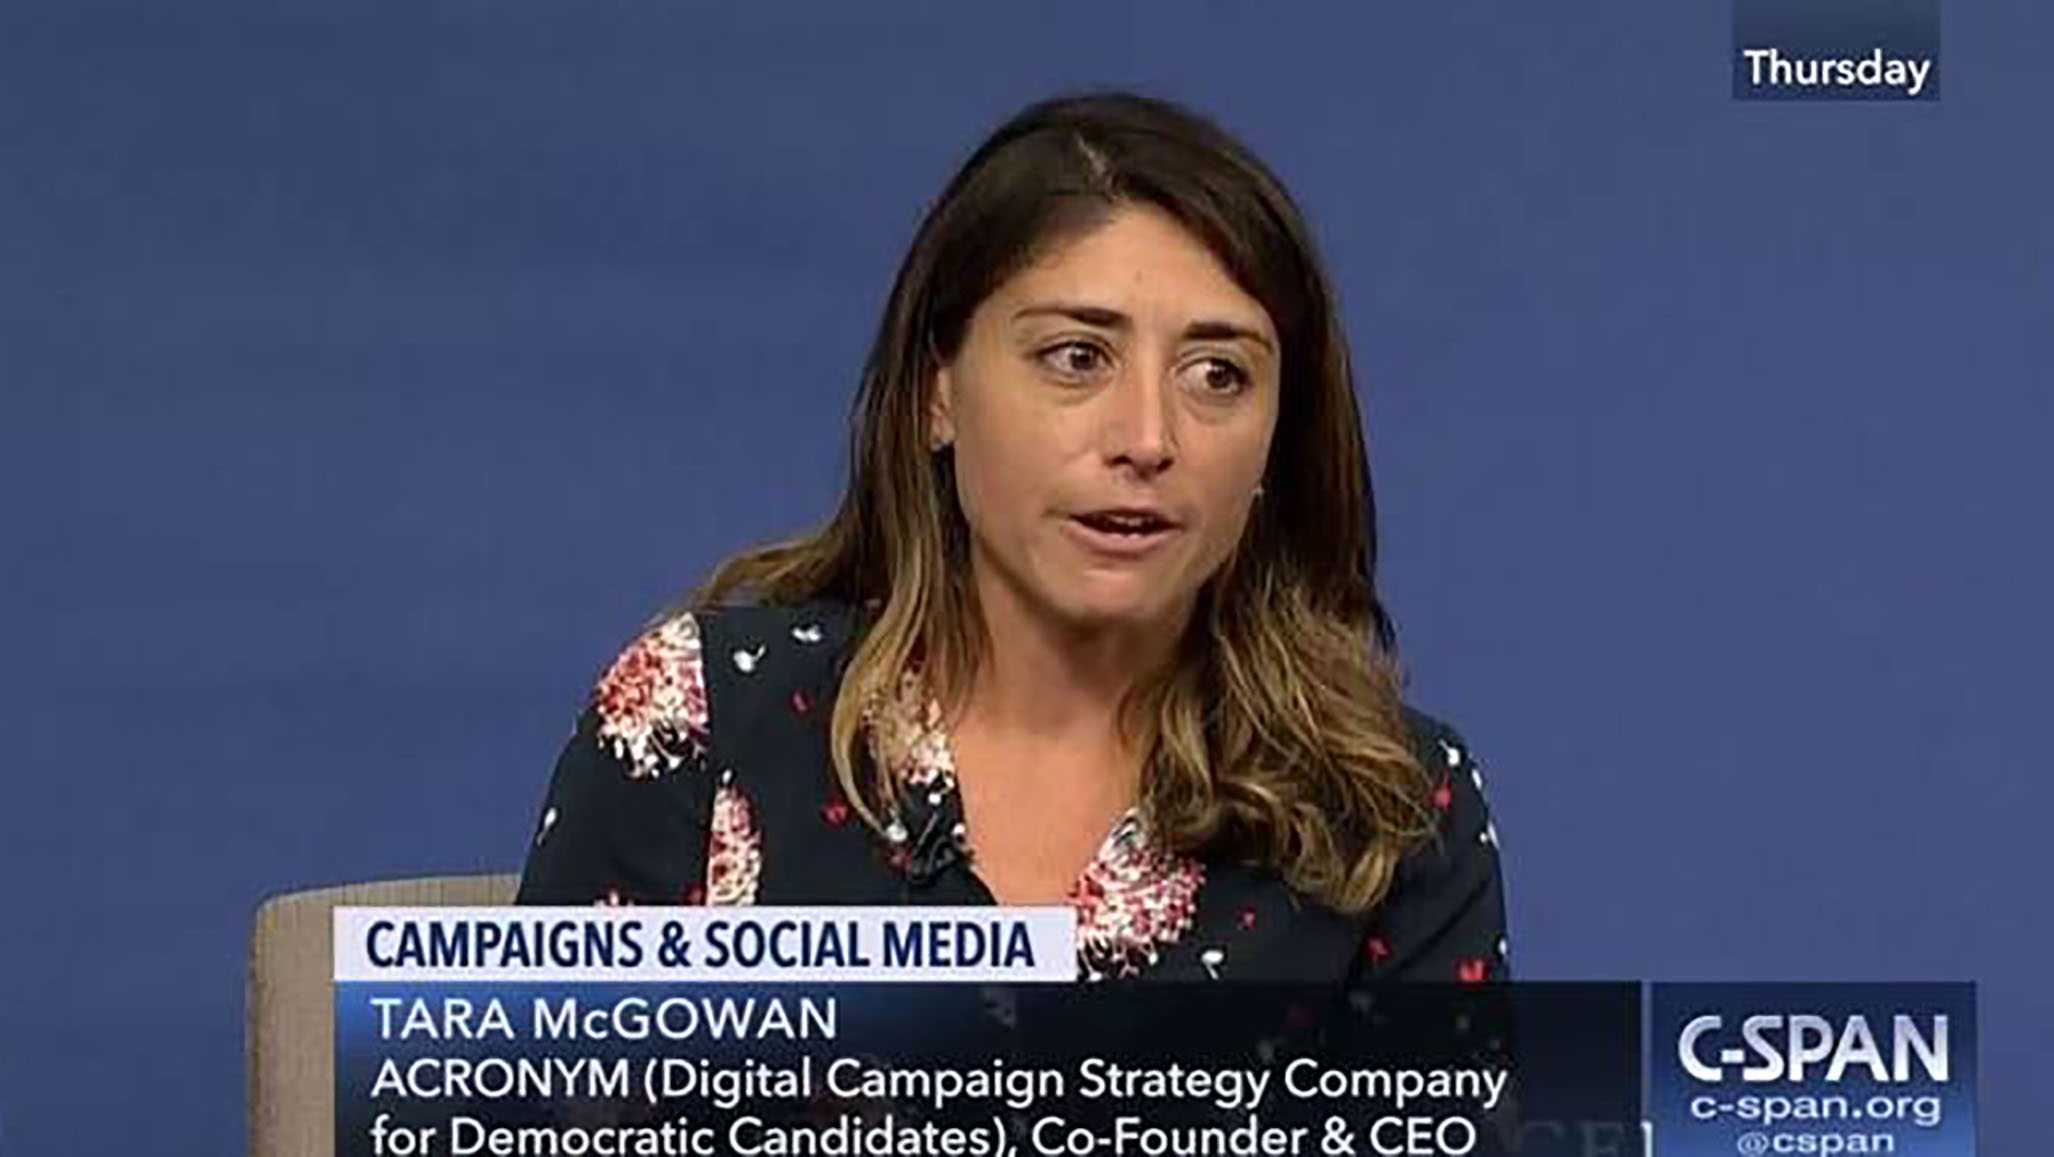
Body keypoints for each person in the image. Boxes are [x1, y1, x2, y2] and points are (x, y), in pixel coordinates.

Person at [516, 90, 1507, 985]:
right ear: (935, 392)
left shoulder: (1393, 811)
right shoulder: (698, 722)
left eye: (1217, 375)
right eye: (1076, 357)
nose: (1147, 438)